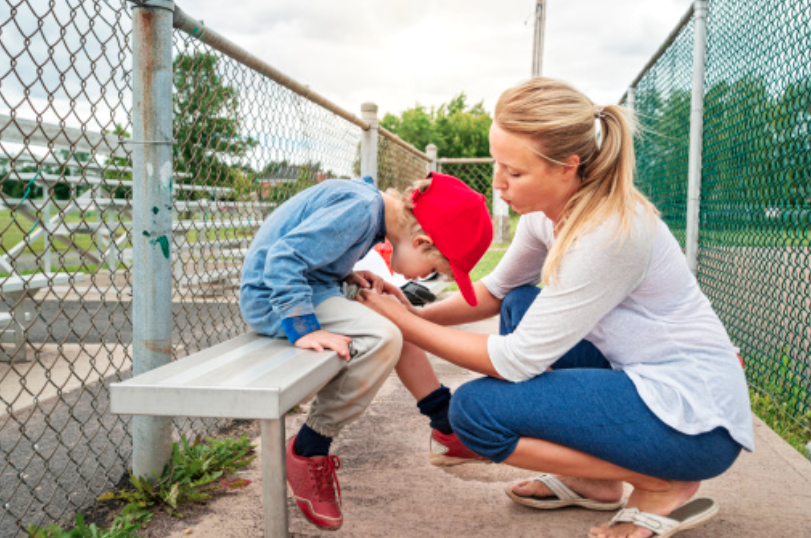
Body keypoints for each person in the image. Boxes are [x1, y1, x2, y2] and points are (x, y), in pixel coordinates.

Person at [357, 77, 754, 538]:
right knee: (523, 301)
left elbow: (516, 361)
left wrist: (405, 325)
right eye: (497, 164)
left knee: (474, 413)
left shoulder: (607, 233)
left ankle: (662, 483)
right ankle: (594, 483)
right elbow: (496, 292)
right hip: (647, 386)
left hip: (694, 424)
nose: (499, 184)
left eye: (516, 173)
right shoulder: (546, 215)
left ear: (568, 166)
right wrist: (414, 313)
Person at [239, 172, 492, 530]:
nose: (425, 279)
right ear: (421, 242)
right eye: (434, 271)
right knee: (383, 336)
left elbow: (311, 253)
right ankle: (308, 448)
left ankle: (445, 426)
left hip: (309, 288)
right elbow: (282, 258)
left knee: (395, 312)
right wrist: (303, 329)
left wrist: (345, 275)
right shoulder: (359, 209)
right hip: (276, 303)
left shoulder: (367, 207)